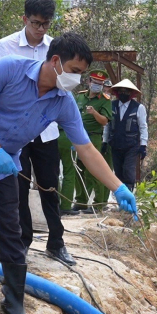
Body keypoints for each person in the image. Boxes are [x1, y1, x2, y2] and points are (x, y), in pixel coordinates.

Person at [0, 33, 138, 314]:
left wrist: (117, 186)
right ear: (55, 61)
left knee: (10, 227)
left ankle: (13, 300)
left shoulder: (63, 103)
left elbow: (87, 149)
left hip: (0, 160)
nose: (77, 80)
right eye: (75, 71)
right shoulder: (9, 69)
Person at [0, 0, 75, 266]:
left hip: (46, 129)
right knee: (20, 188)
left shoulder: (54, 49)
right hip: (16, 133)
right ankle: (23, 242)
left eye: (46, 24)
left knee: (50, 185)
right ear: (25, 19)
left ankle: (56, 243)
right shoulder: (6, 47)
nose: (40, 29)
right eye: (36, 23)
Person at [59, 69, 113, 214]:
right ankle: (81, 201)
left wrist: (95, 113)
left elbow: (104, 121)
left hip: (93, 137)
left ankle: (98, 204)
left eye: (100, 83)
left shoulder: (105, 100)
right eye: (95, 82)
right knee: (78, 170)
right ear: (89, 82)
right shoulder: (80, 96)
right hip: (78, 137)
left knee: (94, 171)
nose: (98, 85)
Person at [102, 79, 148, 191]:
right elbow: (107, 125)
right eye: (121, 91)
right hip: (115, 144)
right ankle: (120, 198)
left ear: (131, 93)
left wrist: (143, 145)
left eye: (126, 91)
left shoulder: (138, 107)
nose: (123, 93)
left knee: (128, 170)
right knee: (118, 172)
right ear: (117, 92)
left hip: (131, 145)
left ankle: (129, 193)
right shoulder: (111, 105)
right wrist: (104, 141)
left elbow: (143, 126)